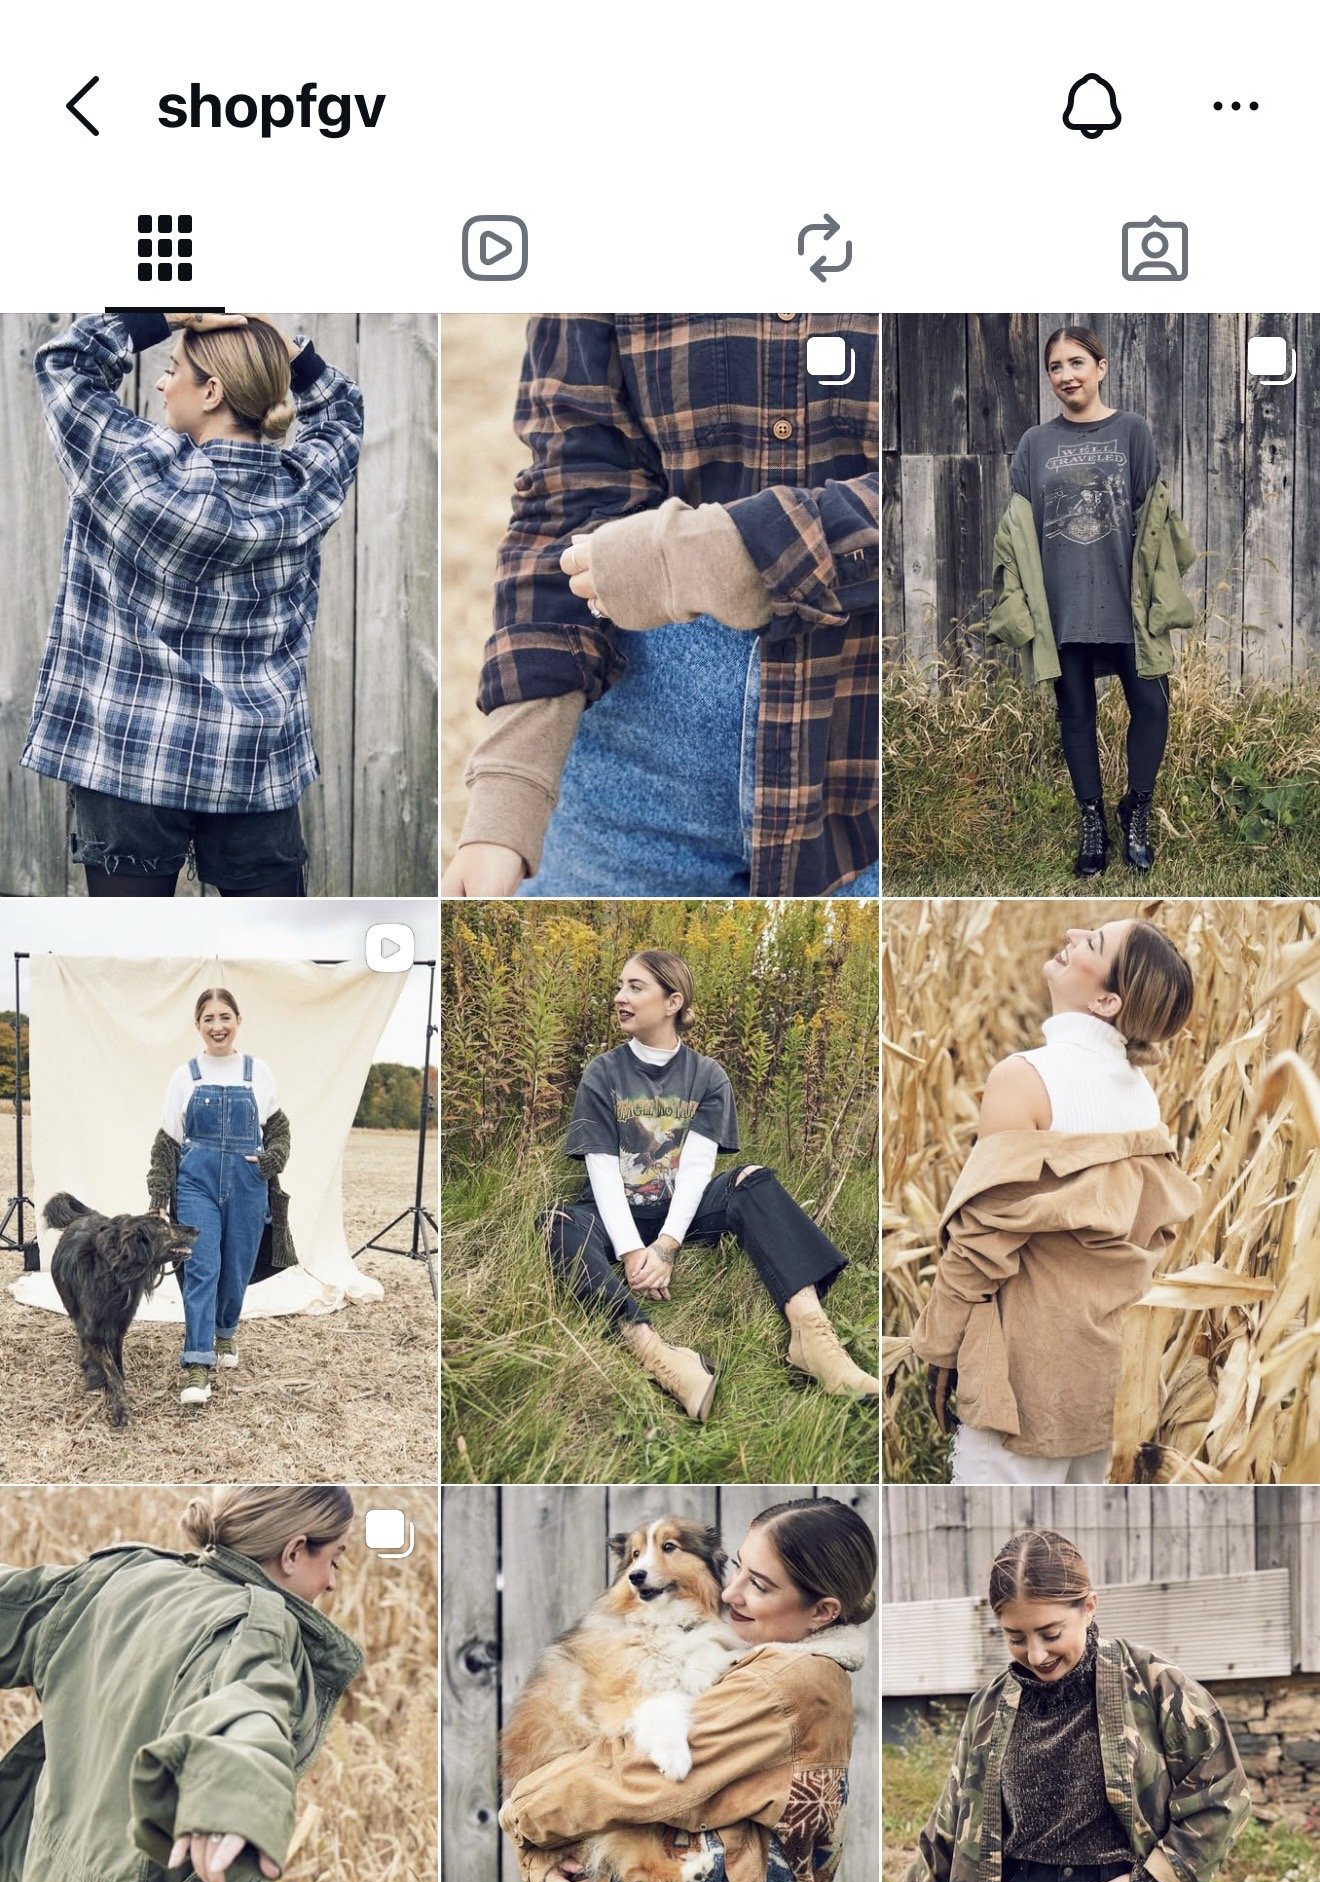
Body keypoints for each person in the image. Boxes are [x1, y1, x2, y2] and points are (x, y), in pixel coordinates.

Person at [441, 314, 877, 900]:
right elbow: (568, 497)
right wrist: (510, 787)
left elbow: (966, 479)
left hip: (869, 774)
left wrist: (739, 552)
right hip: (637, 773)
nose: (617, 997)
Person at [0, 1484, 363, 1882]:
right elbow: (245, 1707)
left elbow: (11, 1609)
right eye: (335, 1559)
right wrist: (230, 1804)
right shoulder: (254, 1625)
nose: (333, 1583)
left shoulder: (119, 1576)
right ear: (294, 1551)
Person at [502, 1501, 877, 1882]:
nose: (731, 1595)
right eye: (737, 1571)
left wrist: (517, 1814)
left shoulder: (786, 1682)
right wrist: (544, 1864)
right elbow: (629, 1811)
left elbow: (638, 1779)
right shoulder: (748, 1665)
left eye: (760, 1585)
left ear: (822, 1611)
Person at [22, 308, 362, 896]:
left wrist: (157, 315)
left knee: (133, 956)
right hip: (254, 760)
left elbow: (65, 365)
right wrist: (286, 347)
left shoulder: (133, 471)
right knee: (272, 952)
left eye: (172, 368)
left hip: (130, 757)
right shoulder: (301, 490)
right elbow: (343, 415)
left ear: (211, 391)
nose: (159, 381)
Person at [881, 1528, 1250, 1882]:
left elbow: (1222, 1791)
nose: (1035, 1653)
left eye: (1050, 1632)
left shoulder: (1154, 1685)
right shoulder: (990, 1707)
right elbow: (954, 1820)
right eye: (1014, 1637)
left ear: (1089, 1606)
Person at [910, 915, 1199, 1482]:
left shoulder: (1024, 1078)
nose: (1070, 935)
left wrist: (940, 1351)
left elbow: (979, 1243)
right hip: (1104, 1380)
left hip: (1021, 1381)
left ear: (1108, 1002)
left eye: (1092, 942)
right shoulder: (1143, 1097)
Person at [544, 946, 878, 1418]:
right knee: (557, 1221)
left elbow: (700, 1168)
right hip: (614, 1209)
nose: (620, 996)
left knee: (753, 1180)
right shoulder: (604, 1072)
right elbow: (599, 1167)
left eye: (634, 987)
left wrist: (666, 1246)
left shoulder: (707, 1075)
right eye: (619, 986)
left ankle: (812, 1337)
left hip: (685, 1207)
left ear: (672, 1001)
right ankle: (654, 1352)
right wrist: (632, 1252)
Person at [988, 324, 1197, 879]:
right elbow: (1018, 531)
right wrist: (1020, 603)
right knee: (1075, 715)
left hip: (1124, 602)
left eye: (1076, 363)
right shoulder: (1036, 443)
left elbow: (1152, 522)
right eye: (1055, 367)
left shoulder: (1133, 431)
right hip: (1062, 606)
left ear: (1101, 368)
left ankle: (1135, 808)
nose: (1066, 376)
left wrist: (1159, 597)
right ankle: (1092, 824)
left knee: (1151, 705)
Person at [148, 985, 293, 1408]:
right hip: (196, 1183)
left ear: (238, 1021)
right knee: (201, 1267)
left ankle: (226, 1331)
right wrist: (159, 1194)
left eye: (224, 1017)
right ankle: (197, 1362)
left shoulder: (257, 1072)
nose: (217, 1026)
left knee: (236, 1267)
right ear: (198, 1026)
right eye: (208, 1019)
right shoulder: (185, 1075)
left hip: (248, 1184)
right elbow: (166, 1143)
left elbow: (280, 1127)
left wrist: (272, 1159)